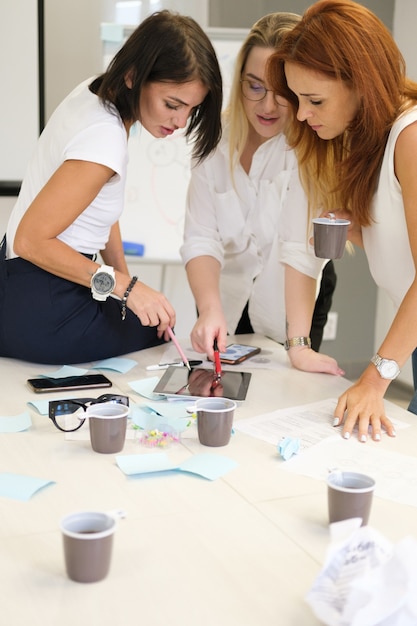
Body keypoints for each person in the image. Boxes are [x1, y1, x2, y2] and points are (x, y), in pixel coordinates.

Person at [0, 10, 222, 365]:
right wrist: (126, 289)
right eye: (172, 104)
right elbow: (30, 240)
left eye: (191, 110)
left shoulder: (94, 95)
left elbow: (96, 208)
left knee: (149, 315)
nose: (180, 122)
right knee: (158, 333)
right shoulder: (104, 139)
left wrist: (125, 281)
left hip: (21, 288)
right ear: (134, 77)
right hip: (44, 303)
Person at [268, 0, 417, 441]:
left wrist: (375, 378)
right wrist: (360, 226)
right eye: (297, 99)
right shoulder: (359, 138)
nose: (301, 114)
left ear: (363, 83)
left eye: (315, 100)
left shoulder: (410, 138)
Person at [180, 12, 341, 375]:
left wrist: (298, 345)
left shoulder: (310, 146)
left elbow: (299, 250)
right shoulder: (213, 139)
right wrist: (209, 309)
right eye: (254, 87)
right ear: (238, 83)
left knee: (286, 381)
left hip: (293, 289)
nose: (267, 107)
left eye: (281, 92)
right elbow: (201, 237)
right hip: (223, 290)